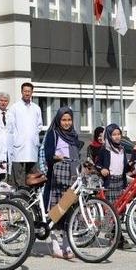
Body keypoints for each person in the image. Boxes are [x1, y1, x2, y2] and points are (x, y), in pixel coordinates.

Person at [42, 107, 83, 260]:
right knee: (57, 210)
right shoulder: (53, 134)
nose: (66, 123)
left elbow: (77, 155)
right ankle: (54, 245)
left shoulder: (74, 135)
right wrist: (55, 157)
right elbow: (47, 155)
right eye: (63, 120)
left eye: (69, 120)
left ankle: (66, 243)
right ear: (58, 121)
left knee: (69, 210)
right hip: (58, 176)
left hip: (72, 176)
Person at [8, 82, 43, 188]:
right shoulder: (15, 107)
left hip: (32, 145)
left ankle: (31, 195)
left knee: (32, 174)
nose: (27, 93)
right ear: (21, 92)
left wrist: (33, 136)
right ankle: (19, 195)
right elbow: (11, 127)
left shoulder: (36, 108)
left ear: (32, 92)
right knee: (18, 174)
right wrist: (17, 138)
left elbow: (39, 125)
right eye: (25, 91)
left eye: (29, 91)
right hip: (18, 145)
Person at [98, 124, 129, 205]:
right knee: (111, 208)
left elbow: (125, 167)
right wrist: (102, 169)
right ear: (109, 135)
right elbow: (97, 164)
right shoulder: (105, 149)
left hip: (121, 182)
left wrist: (130, 165)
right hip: (110, 181)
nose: (117, 137)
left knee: (121, 207)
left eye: (118, 134)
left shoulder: (122, 149)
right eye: (114, 135)